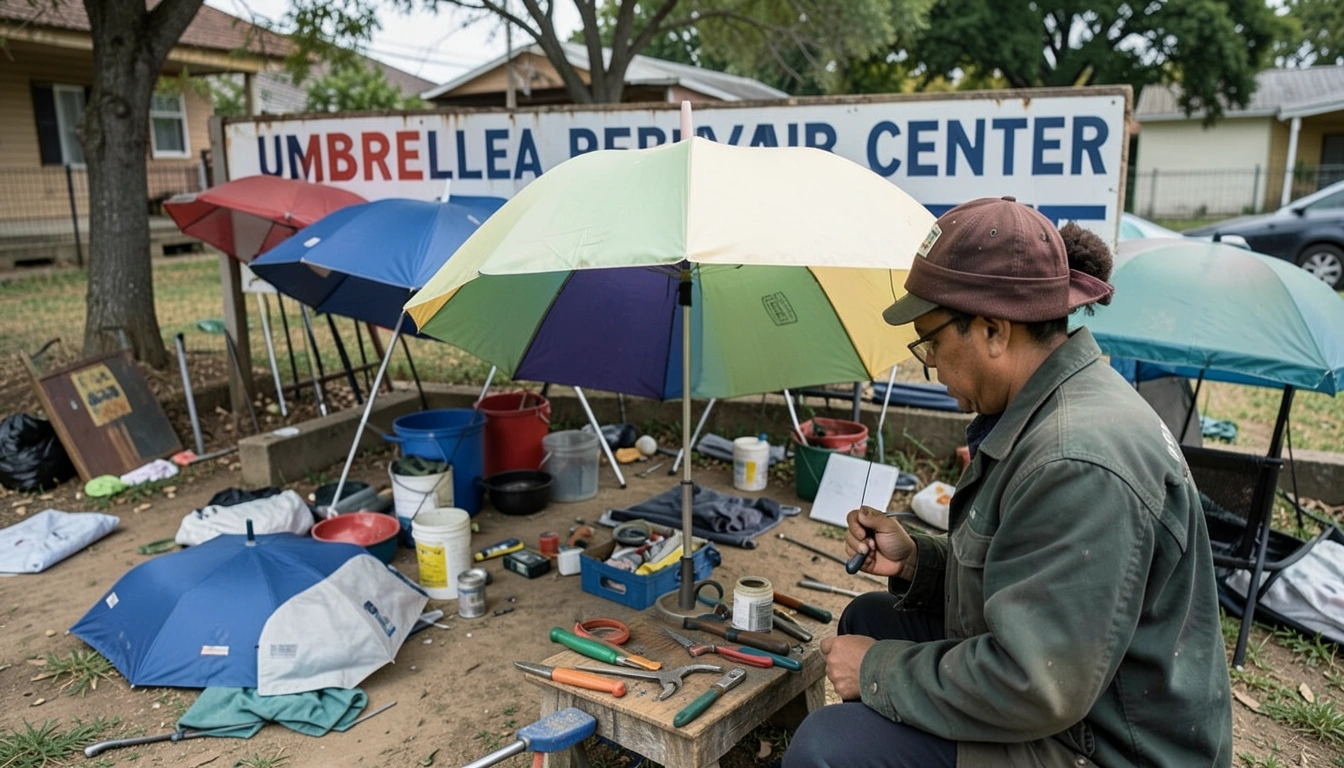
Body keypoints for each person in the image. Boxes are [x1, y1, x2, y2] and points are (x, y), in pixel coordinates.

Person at [783, 199, 1232, 768]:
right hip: (1081, 698)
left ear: (994, 330)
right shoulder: (1046, 405)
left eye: (931, 344)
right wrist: (920, 560)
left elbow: (1033, 682)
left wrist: (878, 671)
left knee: (826, 748)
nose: (932, 367)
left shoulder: (1077, 461)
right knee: (870, 618)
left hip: (1105, 746)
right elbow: (1031, 574)